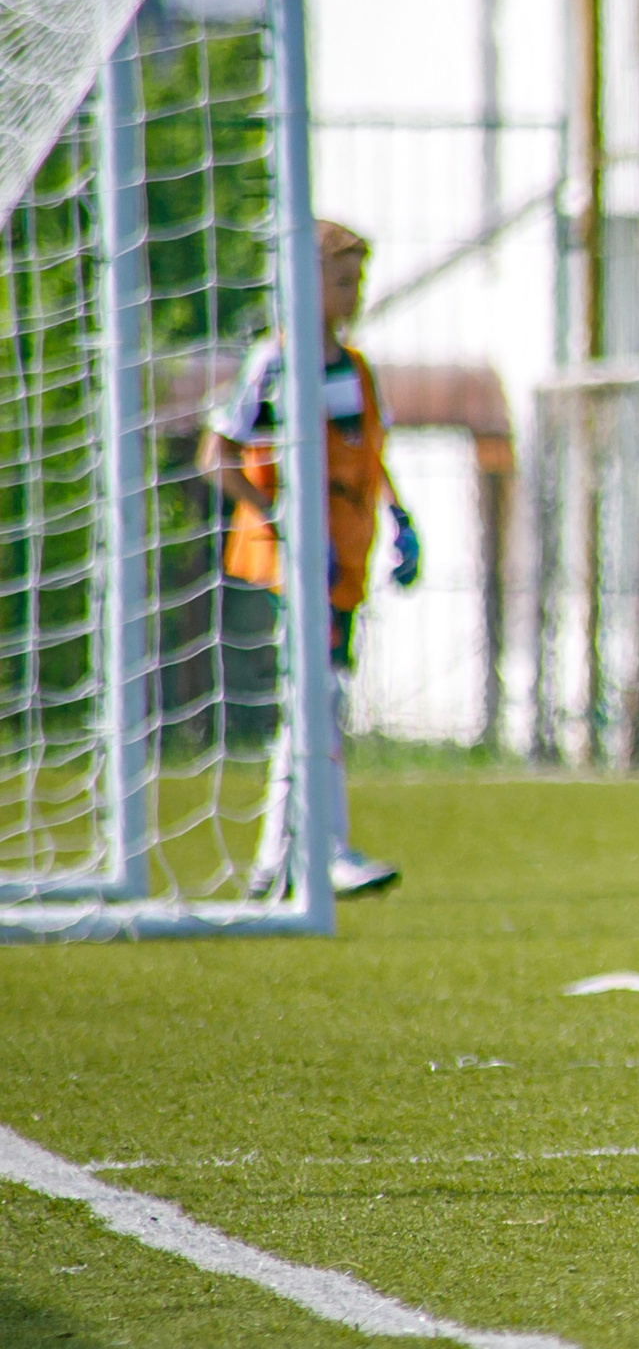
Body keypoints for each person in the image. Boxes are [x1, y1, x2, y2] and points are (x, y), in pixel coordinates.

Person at [200, 219, 418, 898]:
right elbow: (218, 457)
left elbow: (369, 455)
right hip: (294, 565)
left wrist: (401, 518)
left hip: (344, 564)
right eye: (341, 279)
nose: (353, 293)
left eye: (359, 280)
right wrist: (281, 523)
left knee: (315, 705)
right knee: (316, 700)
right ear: (306, 281)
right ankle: (329, 850)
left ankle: (273, 861)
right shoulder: (276, 361)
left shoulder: (353, 368)